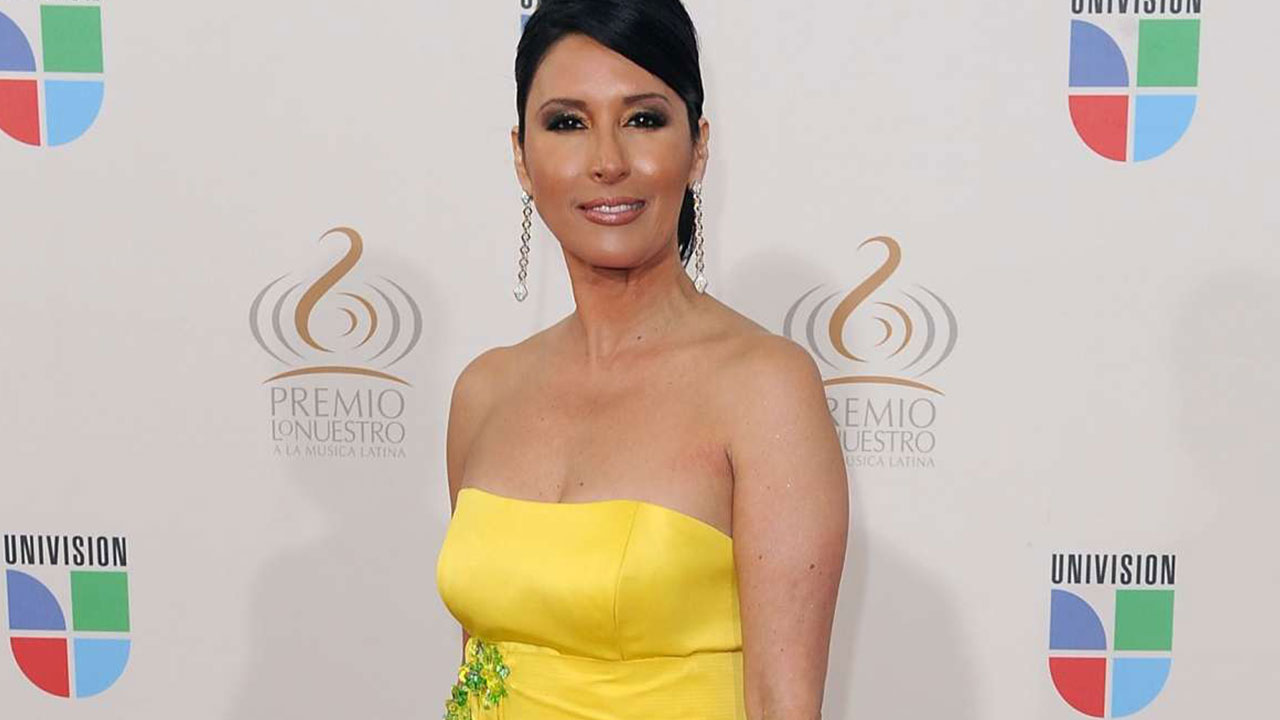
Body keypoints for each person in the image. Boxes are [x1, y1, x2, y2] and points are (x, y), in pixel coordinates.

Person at [435, 1, 848, 718]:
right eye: (568, 123)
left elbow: (783, 701)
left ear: (698, 148)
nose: (608, 162)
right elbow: (478, 665)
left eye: (644, 119)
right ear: (521, 157)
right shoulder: (485, 391)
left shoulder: (763, 387)